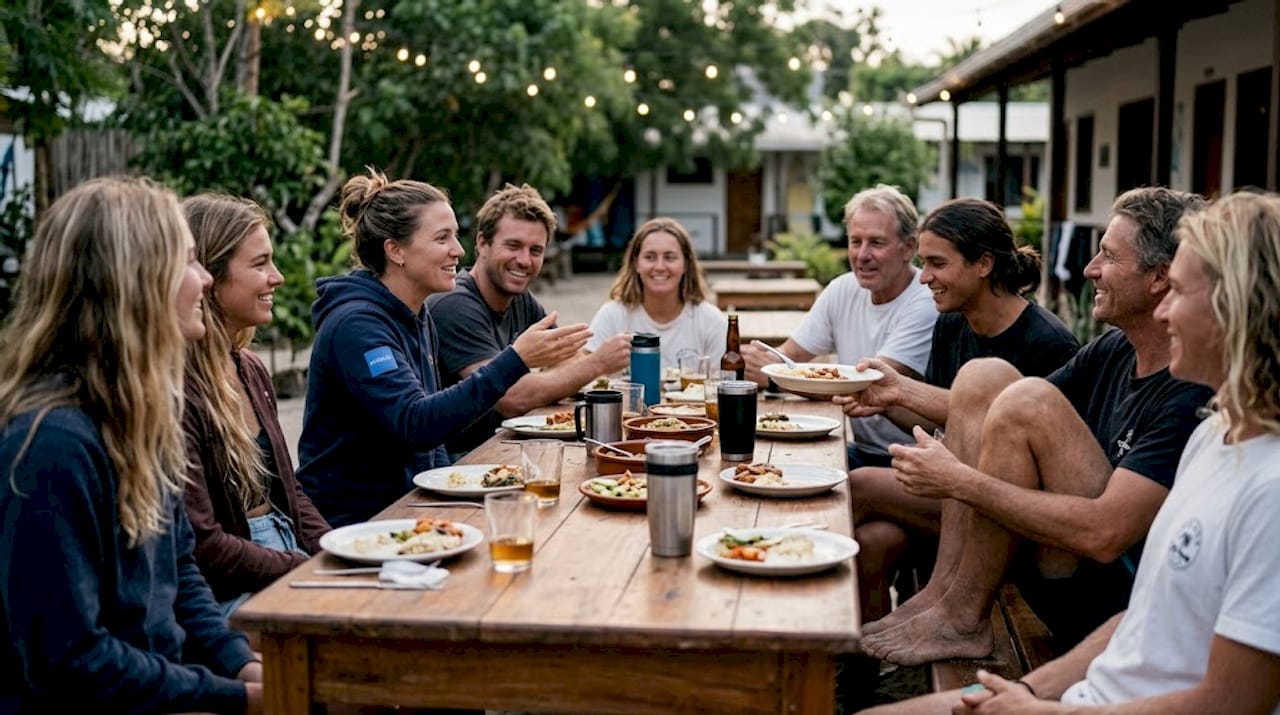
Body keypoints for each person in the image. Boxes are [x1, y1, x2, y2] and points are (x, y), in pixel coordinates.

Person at [862, 190, 1280, 715]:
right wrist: (894, 391)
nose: (1088, 269)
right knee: (984, 379)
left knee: (1023, 398)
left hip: (1093, 583)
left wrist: (958, 479)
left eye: (1108, 254)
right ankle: (949, 600)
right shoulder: (1213, 434)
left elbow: (1108, 538)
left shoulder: (1230, 444)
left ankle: (961, 611)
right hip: (1096, 652)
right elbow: (991, 405)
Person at [0, 177, 263, 712]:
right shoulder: (51, 445)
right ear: (137, 283)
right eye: (188, 262)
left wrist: (242, 661)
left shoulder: (139, 413)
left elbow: (180, 570)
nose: (207, 279)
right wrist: (237, 698)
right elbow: (71, 661)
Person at [832, 198, 1080, 625]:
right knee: (873, 541)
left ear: (983, 264)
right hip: (949, 491)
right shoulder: (952, 323)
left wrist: (904, 393)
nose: (924, 278)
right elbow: (938, 421)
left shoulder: (1048, 344)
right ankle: (856, 674)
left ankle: (779, 588)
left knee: (856, 484)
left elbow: (1051, 472)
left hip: (1007, 515)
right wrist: (889, 400)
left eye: (936, 264)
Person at [297, 171, 589, 527]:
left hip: (414, 508)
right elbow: (415, 423)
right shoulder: (356, 326)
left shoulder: (417, 313)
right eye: (442, 238)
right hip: (356, 524)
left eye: (455, 235)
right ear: (396, 250)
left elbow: (430, 445)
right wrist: (516, 360)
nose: (459, 250)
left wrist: (449, 495)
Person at [181, 194, 331, 613]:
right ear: (211, 274)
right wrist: (303, 568)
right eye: (260, 263)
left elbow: (291, 491)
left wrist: (336, 553)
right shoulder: (179, 387)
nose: (277, 277)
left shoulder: (249, 367)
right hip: (228, 589)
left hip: (283, 552)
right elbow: (205, 545)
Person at [741, 184, 938, 467]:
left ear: (908, 248)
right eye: (855, 241)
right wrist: (759, 361)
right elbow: (788, 357)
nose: (862, 255)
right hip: (862, 450)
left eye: (876, 243)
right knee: (768, 462)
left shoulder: (924, 301)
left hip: (912, 459)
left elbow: (866, 383)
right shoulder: (843, 288)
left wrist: (773, 376)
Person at [429, 183, 631, 457]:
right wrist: (598, 363)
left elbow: (566, 357)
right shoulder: (455, 304)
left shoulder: (518, 298)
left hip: (504, 449)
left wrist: (548, 382)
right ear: (481, 244)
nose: (524, 260)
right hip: (459, 464)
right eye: (513, 246)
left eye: (535, 250)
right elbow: (511, 399)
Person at [584, 217, 728, 369]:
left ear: (686, 264)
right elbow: (584, 372)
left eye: (670, 257)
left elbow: (720, 384)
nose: (659, 266)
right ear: (636, 264)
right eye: (650, 257)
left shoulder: (710, 320)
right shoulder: (612, 315)